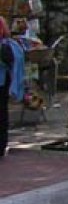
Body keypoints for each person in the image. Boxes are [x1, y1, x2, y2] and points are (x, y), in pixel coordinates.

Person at [0, 16, 26, 157]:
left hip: (2, 82)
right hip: (4, 83)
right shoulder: (9, 45)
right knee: (2, 113)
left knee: (2, 113)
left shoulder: (5, 46)